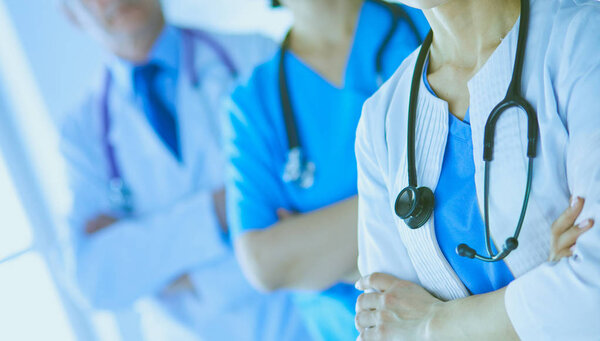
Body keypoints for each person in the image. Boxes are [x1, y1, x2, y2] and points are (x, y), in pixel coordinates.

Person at [58, 0, 310, 340]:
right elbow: (96, 280)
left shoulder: (256, 56)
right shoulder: (81, 132)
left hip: (304, 319)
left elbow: (312, 198)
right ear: (71, 13)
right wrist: (221, 208)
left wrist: (182, 277)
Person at [354, 0, 600, 339]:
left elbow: (593, 298)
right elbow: (387, 328)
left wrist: (429, 323)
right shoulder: (382, 118)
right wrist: (545, 296)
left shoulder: (583, 39)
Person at [223, 0, 428, 339]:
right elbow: (265, 264)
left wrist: (328, 252)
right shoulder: (252, 103)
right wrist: (421, 201)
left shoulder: (429, 22)